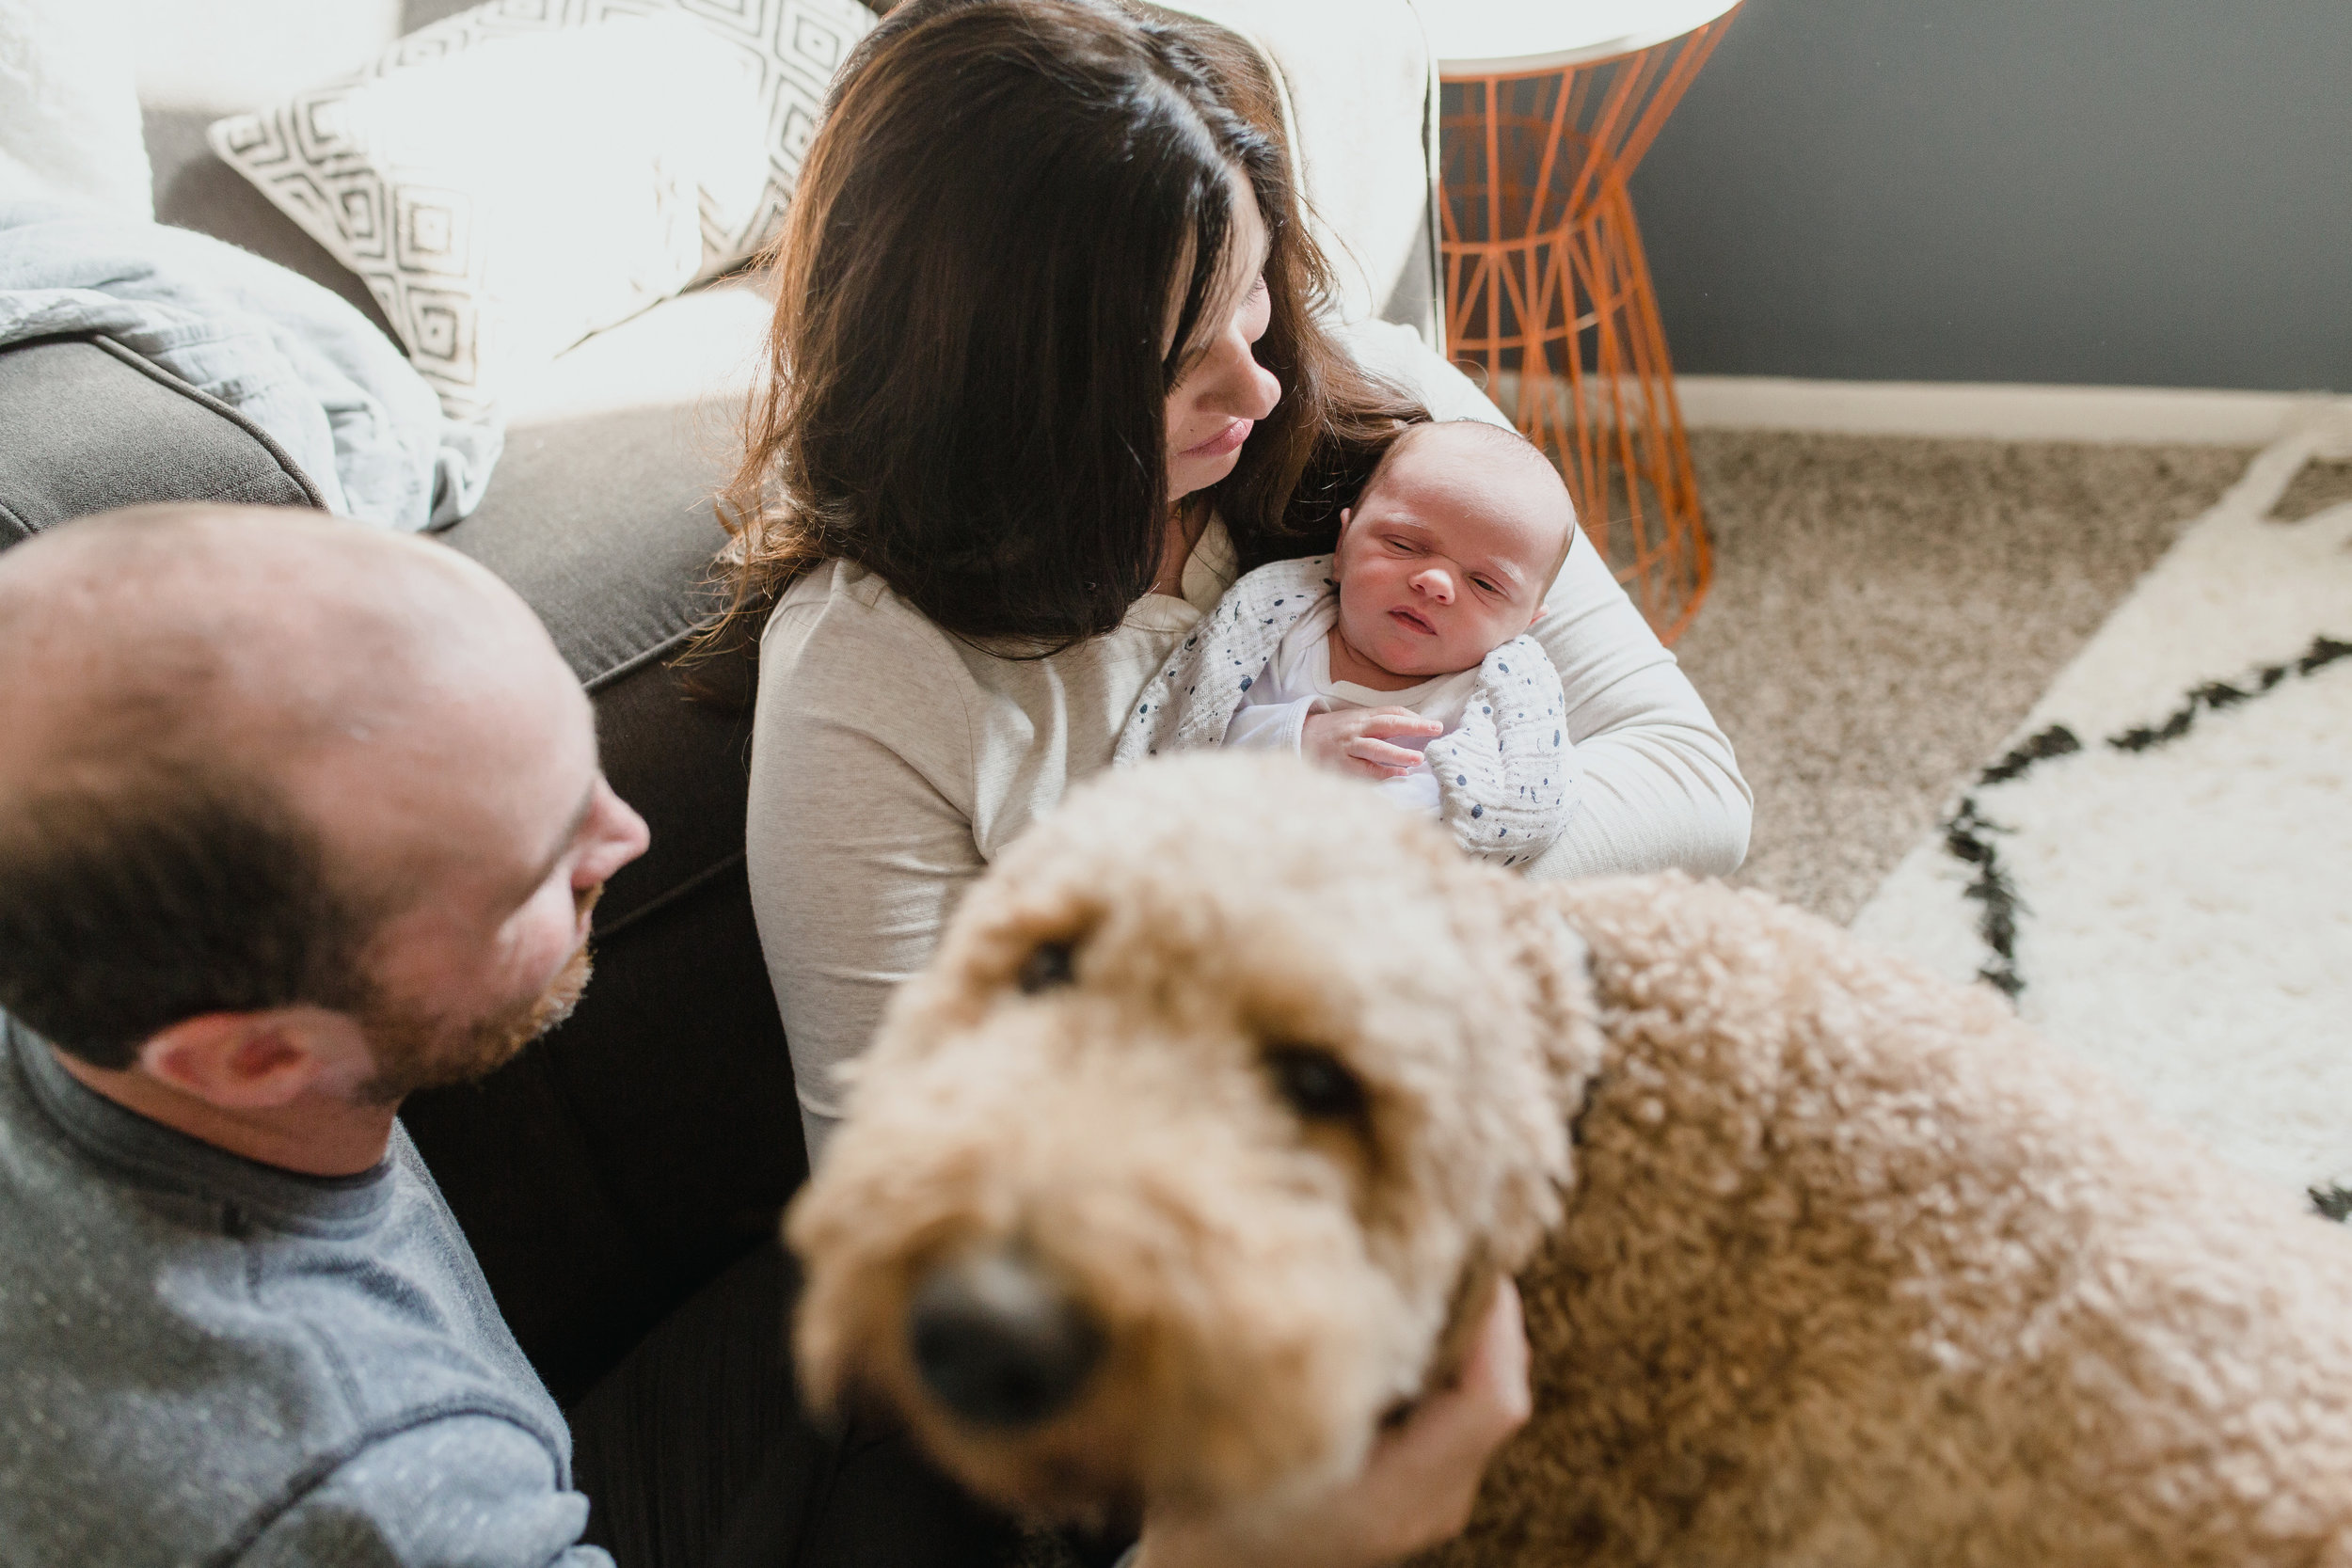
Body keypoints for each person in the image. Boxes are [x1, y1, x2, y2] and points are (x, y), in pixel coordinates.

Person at [0, 503, 1531, 1568]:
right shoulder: (364, 1494)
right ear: (254, 1054)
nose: (626, 833)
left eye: (576, 761)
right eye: (540, 868)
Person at [709, 0, 1752, 1163]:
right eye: (1172, 360)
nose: (1256, 390)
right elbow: (900, 1174)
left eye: (1249, 293)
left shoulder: (1401, 431)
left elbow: (1691, 784)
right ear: (1000, 399)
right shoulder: (870, 675)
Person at [1119, 419, 1578, 853]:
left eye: (1485, 584)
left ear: (1525, 625)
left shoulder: (1490, 702)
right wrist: (1297, 740)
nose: (1435, 583)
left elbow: (1523, 806)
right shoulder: (1280, 628)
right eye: (1403, 545)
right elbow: (1190, 741)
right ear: (1343, 547)